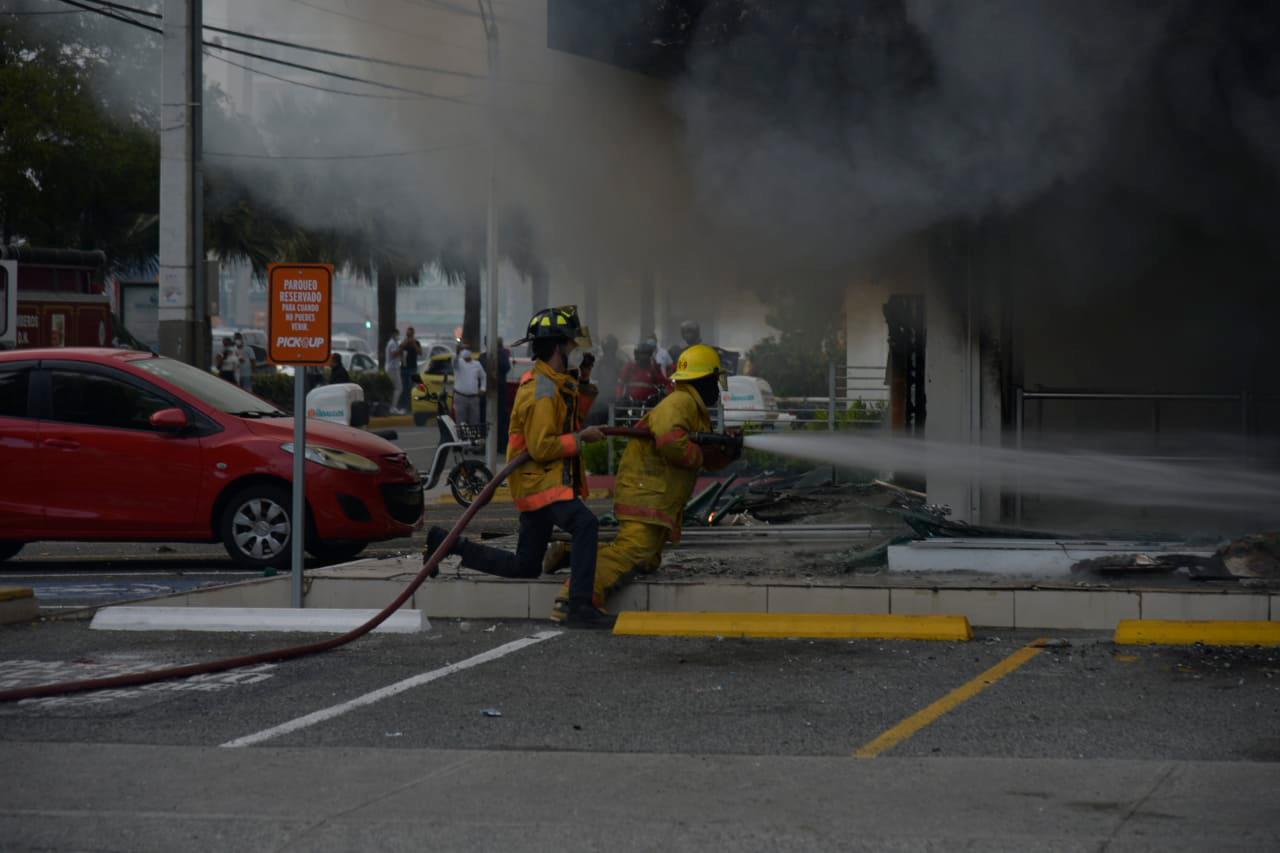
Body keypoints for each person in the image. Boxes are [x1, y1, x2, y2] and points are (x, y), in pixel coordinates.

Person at [422, 306, 615, 629]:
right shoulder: (542, 390)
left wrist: (583, 380)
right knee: (585, 525)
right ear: (557, 346)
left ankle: (447, 543)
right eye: (570, 344)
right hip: (542, 483)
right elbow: (541, 447)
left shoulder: (553, 382)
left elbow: (569, 420)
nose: (574, 349)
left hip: (538, 482)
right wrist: (581, 438)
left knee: (525, 565)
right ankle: (580, 606)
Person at [546, 344, 741, 619]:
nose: (717, 390)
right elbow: (670, 441)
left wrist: (727, 452)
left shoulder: (693, 410)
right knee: (632, 552)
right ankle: (574, 599)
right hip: (647, 493)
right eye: (715, 382)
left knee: (647, 559)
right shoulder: (682, 402)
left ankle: (573, 553)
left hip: (654, 496)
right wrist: (701, 455)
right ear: (704, 380)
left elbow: (702, 456)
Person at [617, 340, 672, 405]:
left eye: (645, 355)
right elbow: (620, 383)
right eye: (641, 354)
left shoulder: (653, 368)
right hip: (631, 403)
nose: (643, 357)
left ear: (650, 355)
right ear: (637, 355)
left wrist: (666, 392)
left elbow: (665, 382)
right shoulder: (630, 367)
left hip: (648, 404)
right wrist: (620, 397)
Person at [452, 346, 486, 426]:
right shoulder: (459, 363)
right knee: (460, 422)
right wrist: (457, 353)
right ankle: (460, 434)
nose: (465, 351)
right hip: (460, 397)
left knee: (474, 422)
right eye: (464, 349)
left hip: (474, 398)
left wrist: (483, 388)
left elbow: (483, 377)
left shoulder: (477, 364)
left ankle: (473, 435)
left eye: (467, 349)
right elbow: (454, 362)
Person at [396, 327, 422, 413]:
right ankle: (404, 406)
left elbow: (420, 352)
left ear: (413, 334)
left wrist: (413, 343)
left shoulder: (416, 343)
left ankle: (409, 406)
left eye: (410, 335)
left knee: (411, 388)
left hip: (412, 368)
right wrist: (404, 343)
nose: (409, 336)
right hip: (404, 368)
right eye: (408, 335)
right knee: (405, 388)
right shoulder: (403, 343)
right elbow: (398, 352)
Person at [384, 329, 403, 413]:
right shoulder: (392, 343)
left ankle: (392, 407)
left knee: (395, 388)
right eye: (397, 334)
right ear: (394, 334)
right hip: (393, 368)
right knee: (398, 388)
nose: (398, 336)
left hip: (394, 368)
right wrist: (402, 348)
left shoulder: (394, 343)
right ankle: (393, 407)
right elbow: (394, 354)